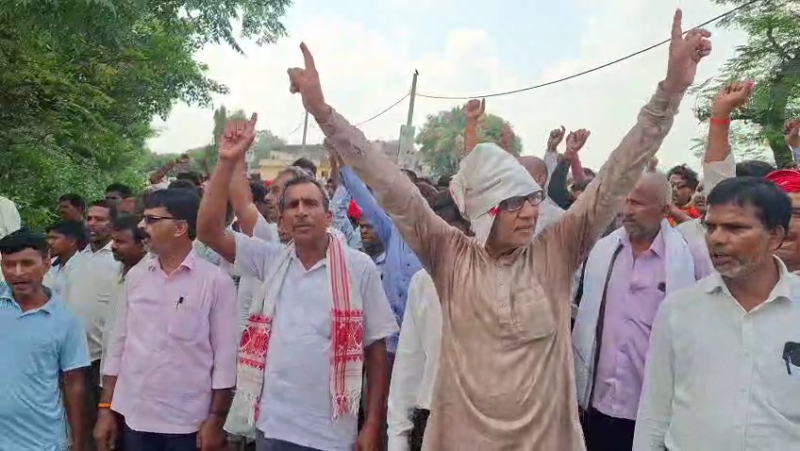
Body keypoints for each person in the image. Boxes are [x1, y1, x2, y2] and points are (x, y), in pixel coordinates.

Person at [286, 9, 711, 448]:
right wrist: (323, 113)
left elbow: (617, 174)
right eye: (511, 204)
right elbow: (389, 183)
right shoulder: (450, 257)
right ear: (484, 213)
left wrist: (670, 91)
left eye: (531, 199)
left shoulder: (556, 251)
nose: (528, 213)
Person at [196, 117, 398, 451]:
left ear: (328, 216)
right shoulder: (270, 259)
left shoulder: (357, 267)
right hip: (272, 426)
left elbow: (376, 350)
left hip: (331, 435)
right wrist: (227, 161)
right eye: (292, 205)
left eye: (310, 203)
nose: (301, 212)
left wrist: (374, 423)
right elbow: (208, 232)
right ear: (283, 220)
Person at [633, 177, 800, 450]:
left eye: (735, 228)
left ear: (775, 237)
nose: (716, 239)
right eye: (710, 227)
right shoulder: (680, 309)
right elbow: (655, 412)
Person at [573, 172, 711, 451]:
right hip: (597, 403)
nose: (627, 210)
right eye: (625, 201)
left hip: (650, 409)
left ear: (664, 210)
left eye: (637, 203)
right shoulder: (603, 251)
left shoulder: (689, 255)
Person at [95, 188, 238, 451]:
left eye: (151, 220)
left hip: (189, 422)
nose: (142, 226)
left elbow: (225, 359)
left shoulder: (216, 282)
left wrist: (215, 420)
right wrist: (106, 407)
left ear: (180, 228)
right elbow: (118, 344)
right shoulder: (136, 277)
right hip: (134, 415)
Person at [0, 229, 91, 451]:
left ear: (46, 262)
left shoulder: (66, 320)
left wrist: (78, 442)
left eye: (27, 263)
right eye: (9, 264)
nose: (17, 273)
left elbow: (74, 384)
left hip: (42, 441)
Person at [44, 220, 88, 297]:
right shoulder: (48, 264)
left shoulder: (85, 266)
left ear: (71, 241)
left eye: (55, 238)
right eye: (48, 238)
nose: (49, 242)